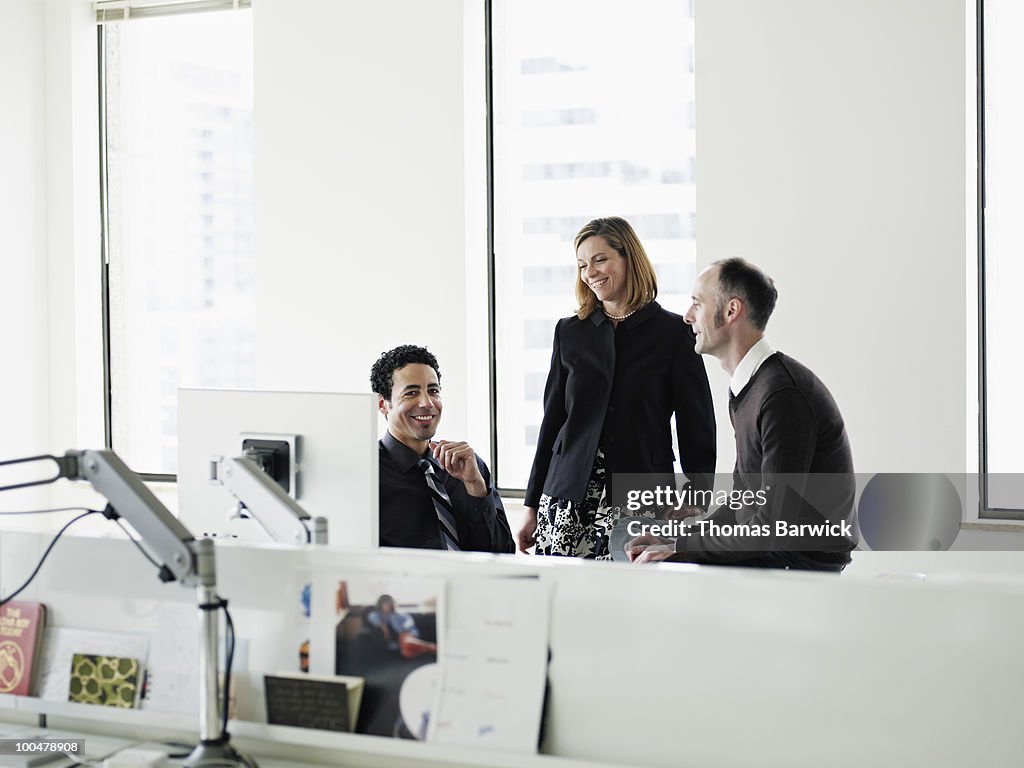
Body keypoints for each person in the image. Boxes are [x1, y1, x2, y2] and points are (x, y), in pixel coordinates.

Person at [626, 258, 857, 571]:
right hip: (776, 560)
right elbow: (742, 505)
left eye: (697, 303)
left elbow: (771, 527)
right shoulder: (750, 385)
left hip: (797, 571)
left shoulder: (781, 394)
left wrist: (681, 548)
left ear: (731, 310)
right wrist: (674, 538)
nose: (687, 316)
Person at [518, 216, 717, 559]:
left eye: (599, 260)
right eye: (582, 264)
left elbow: (696, 424)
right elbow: (552, 422)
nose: (590, 272)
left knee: (633, 601)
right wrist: (531, 505)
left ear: (629, 258)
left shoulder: (673, 333)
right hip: (568, 497)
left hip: (643, 496)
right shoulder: (570, 332)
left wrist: (698, 496)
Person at [371, 344, 514, 553]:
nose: (427, 402)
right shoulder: (368, 473)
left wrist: (476, 487)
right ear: (383, 404)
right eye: (411, 393)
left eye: (433, 391)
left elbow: (504, 555)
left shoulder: (468, 465)